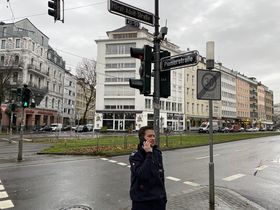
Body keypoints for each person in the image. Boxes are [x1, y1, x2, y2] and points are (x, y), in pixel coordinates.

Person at [129, 125, 167, 210]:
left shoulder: (157, 153)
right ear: (142, 138)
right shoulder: (135, 156)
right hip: (142, 201)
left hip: (158, 200)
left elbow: (160, 176)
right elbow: (142, 175)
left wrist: (164, 196)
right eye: (149, 136)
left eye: (154, 136)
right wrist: (149, 154)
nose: (153, 138)